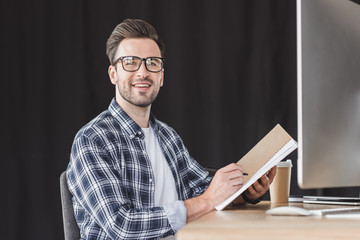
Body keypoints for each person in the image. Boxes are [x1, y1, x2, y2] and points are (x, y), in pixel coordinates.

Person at [66, 18, 276, 240]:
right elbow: (122, 226)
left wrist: (246, 193)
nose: (142, 72)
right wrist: (208, 201)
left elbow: (205, 190)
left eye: (152, 63)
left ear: (161, 76)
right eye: (130, 62)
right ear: (113, 74)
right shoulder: (92, 140)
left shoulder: (168, 137)